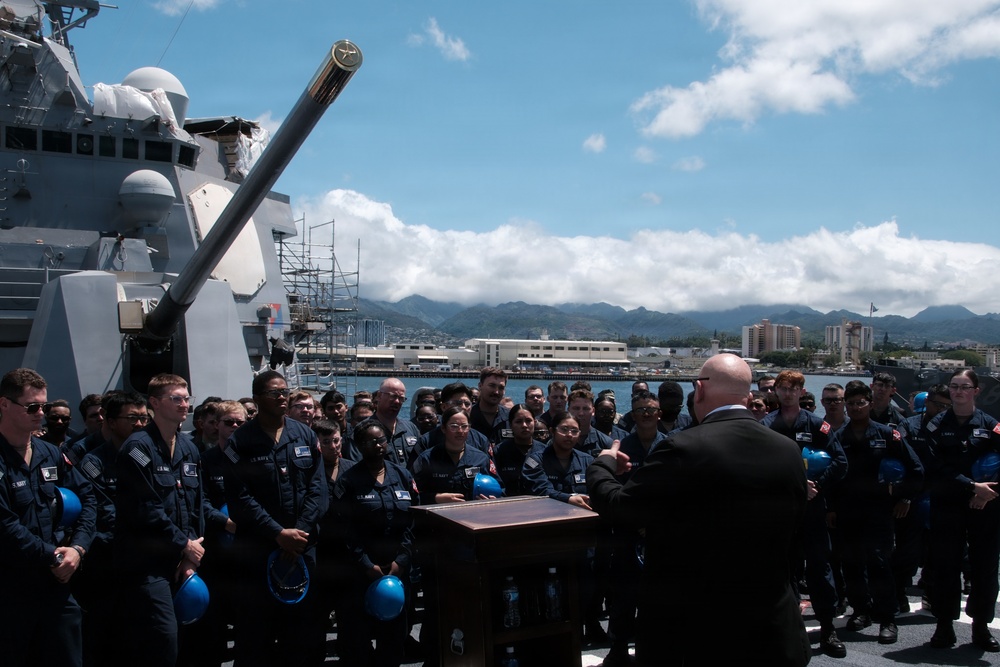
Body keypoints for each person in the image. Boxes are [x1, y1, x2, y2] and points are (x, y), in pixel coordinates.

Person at [587, 354, 811, 667]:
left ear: (700, 390)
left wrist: (602, 465)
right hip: (772, 629)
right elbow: (797, 526)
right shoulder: (788, 451)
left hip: (697, 634)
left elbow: (621, 508)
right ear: (747, 396)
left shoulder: (683, 448)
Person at [115, 373, 221, 667]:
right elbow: (146, 508)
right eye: (176, 398)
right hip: (148, 563)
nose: (184, 404)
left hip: (182, 559)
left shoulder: (189, 448)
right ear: (154, 403)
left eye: (186, 398)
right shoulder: (138, 449)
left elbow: (196, 504)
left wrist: (191, 555)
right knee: (162, 636)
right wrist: (184, 545)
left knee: (188, 637)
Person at [223, 370, 328, 666]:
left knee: (302, 635)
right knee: (255, 637)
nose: (282, 397)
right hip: (258, 552)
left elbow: (318, 489)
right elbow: (240, 499)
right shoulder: (240, 442)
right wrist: (278, 534)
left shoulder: (304, 434)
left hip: (302, 549)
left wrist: (299, 534)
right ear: (257, 398)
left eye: (285, 391)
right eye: (274, 393)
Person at [0, 367, 96, 667]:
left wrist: (78, 549)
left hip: (55, 582)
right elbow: (5, 525)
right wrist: (53, 557)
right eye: (32, 407)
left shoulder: (50, 454)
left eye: (44, 406)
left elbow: (87, 498)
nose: (41, 414)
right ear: (4, 404)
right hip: (10, 588)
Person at [828, 380, 923, 645]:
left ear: (870, 403)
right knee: (852, 566)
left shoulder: (888, 435)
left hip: (878, 511)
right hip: (847, 512)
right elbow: (832, 476)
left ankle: (887, 619)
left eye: (861, 402)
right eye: (850, 403)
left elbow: (915, 469)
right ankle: (861, 611)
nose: (855, 407)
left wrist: (904, 497)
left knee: (880, 564)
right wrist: (831, 508)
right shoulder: (838, 437)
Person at [762, 369, 848, 657]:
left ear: (802, 392)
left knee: (820, 569)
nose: (788, 393)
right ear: (776, 391)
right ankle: (788, 629)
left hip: (812, 508)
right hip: (781, 510)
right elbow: (758, 466)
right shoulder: (766, 426)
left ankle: (827, 629)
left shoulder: (817, 425)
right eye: (783, 388)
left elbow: (839, 462)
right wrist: (794, 485)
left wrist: (817, 486)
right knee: (783, 570)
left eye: (793, 389)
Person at [926, 369, 1000, 652]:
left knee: (985, 567)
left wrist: (987, 494)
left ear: (976, 391)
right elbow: (934, 467)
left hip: (984, 505)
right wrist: (972, 487)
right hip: (948, 503)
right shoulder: (935, 425)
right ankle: (944, 626)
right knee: (945, 565)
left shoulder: (991, 426)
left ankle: (981, 627)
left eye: (964, 387)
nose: (958, 391)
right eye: (954, 386)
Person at [75, 390, 148, 667]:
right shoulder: (93, 462)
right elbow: (102, 509)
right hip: (108, 560)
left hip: (142, 559)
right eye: (132, 418)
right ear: (112, 421)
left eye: (143, 418)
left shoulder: (143, 457)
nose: (139, 424)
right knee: (103, 632)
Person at [334, 421, 416, 666]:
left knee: (394, 640)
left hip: (396, 570)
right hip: (361, 572)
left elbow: (413, 522)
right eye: (372, 442)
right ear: (360, 445)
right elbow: (344, 529)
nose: (379, 445)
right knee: (357, 641)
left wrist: (402, 561)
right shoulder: (349, 480)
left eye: (382, 440)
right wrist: (366, 564)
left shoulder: (401, 475)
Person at [603, 390, 667, 663]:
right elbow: (615, 489)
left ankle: (652, 650)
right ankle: (617, 649)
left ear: (659, 413)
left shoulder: (670, 446)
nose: (646, 414)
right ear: (633, 414)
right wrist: (637, 523)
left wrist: (653, 524)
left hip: (661, 534)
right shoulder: (623, 447)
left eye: (651, 409)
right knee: (623, 597)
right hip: (628, 533)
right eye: (640, 410)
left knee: (658, 599)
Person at [893, 385, 951, 612]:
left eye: (946, 406)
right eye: (938, 404)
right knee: (907, 550)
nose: (942, 410)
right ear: (927, 402)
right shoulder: (909, 426)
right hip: (913, 498)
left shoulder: (952, 427)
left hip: (941, 497)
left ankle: (930, 590)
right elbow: (901, 461)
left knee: (939, 551)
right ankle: (898, 593)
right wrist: (905, 497)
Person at [313, 418, 356, 662]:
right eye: (326, 442)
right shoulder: (309, 470)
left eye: (336, 440)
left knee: (350, 617)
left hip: (348, 554)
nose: (333, 446)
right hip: (319, 554)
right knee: (316, 617)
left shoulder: (353, 470)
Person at [411, 406, 499, 504]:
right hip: (438, 512)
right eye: (454, 426)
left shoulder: (481, 459)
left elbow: (499, 489)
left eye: (464, 426)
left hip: (473, 511)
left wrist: (491, 499)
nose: (460, 431)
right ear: (443, 428)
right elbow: (411, 494)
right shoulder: (427, 459)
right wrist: (436, 498)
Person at [493, 403, 544, 496]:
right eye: (518, 421)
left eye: (528, 421)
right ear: (510, 425)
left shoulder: (545, 451)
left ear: (535, 422)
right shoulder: (499, 451)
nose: (524, 425)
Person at [370, 378, 421, 467]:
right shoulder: (365, 430)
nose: (397, 401)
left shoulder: (410, 428)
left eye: (401, 398)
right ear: (379, 396)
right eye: (393, 396)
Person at [470, 367, 510, 448]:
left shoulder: (511, 418)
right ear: (480, 386)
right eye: (492, 386)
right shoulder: (468, 416)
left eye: (501, 388)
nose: (496, 392)